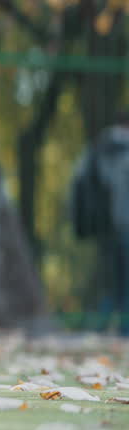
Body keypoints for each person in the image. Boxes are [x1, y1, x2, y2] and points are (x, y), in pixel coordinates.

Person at [70, 113, 129, 335]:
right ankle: (124, 330)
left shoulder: (98, 148)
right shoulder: (122, 149)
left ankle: (102, 326)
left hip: (104, 228)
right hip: (124, 224)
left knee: (111, 281)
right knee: (124, 281)